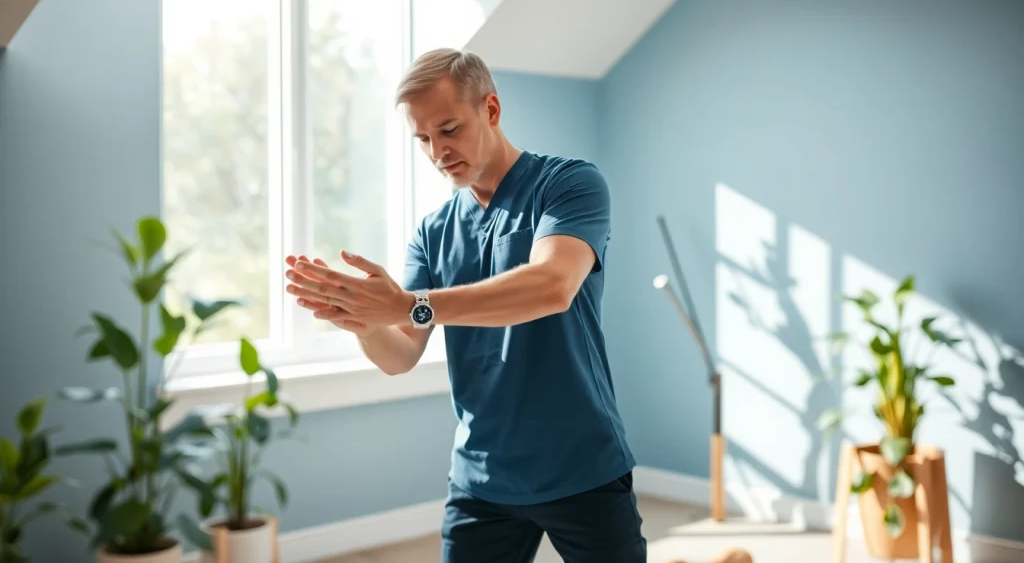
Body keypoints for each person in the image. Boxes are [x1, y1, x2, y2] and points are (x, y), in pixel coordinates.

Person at [283, 48, 752, 563]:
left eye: (449, 129)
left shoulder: (569, 184)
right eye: (423, 140)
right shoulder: (433, 231)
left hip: (581, 465)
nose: (438, 151)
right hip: (481, 480)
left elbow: (551, 286)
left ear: (491, 109)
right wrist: (362, 320)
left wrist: (409, 304)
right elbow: (400, 357)